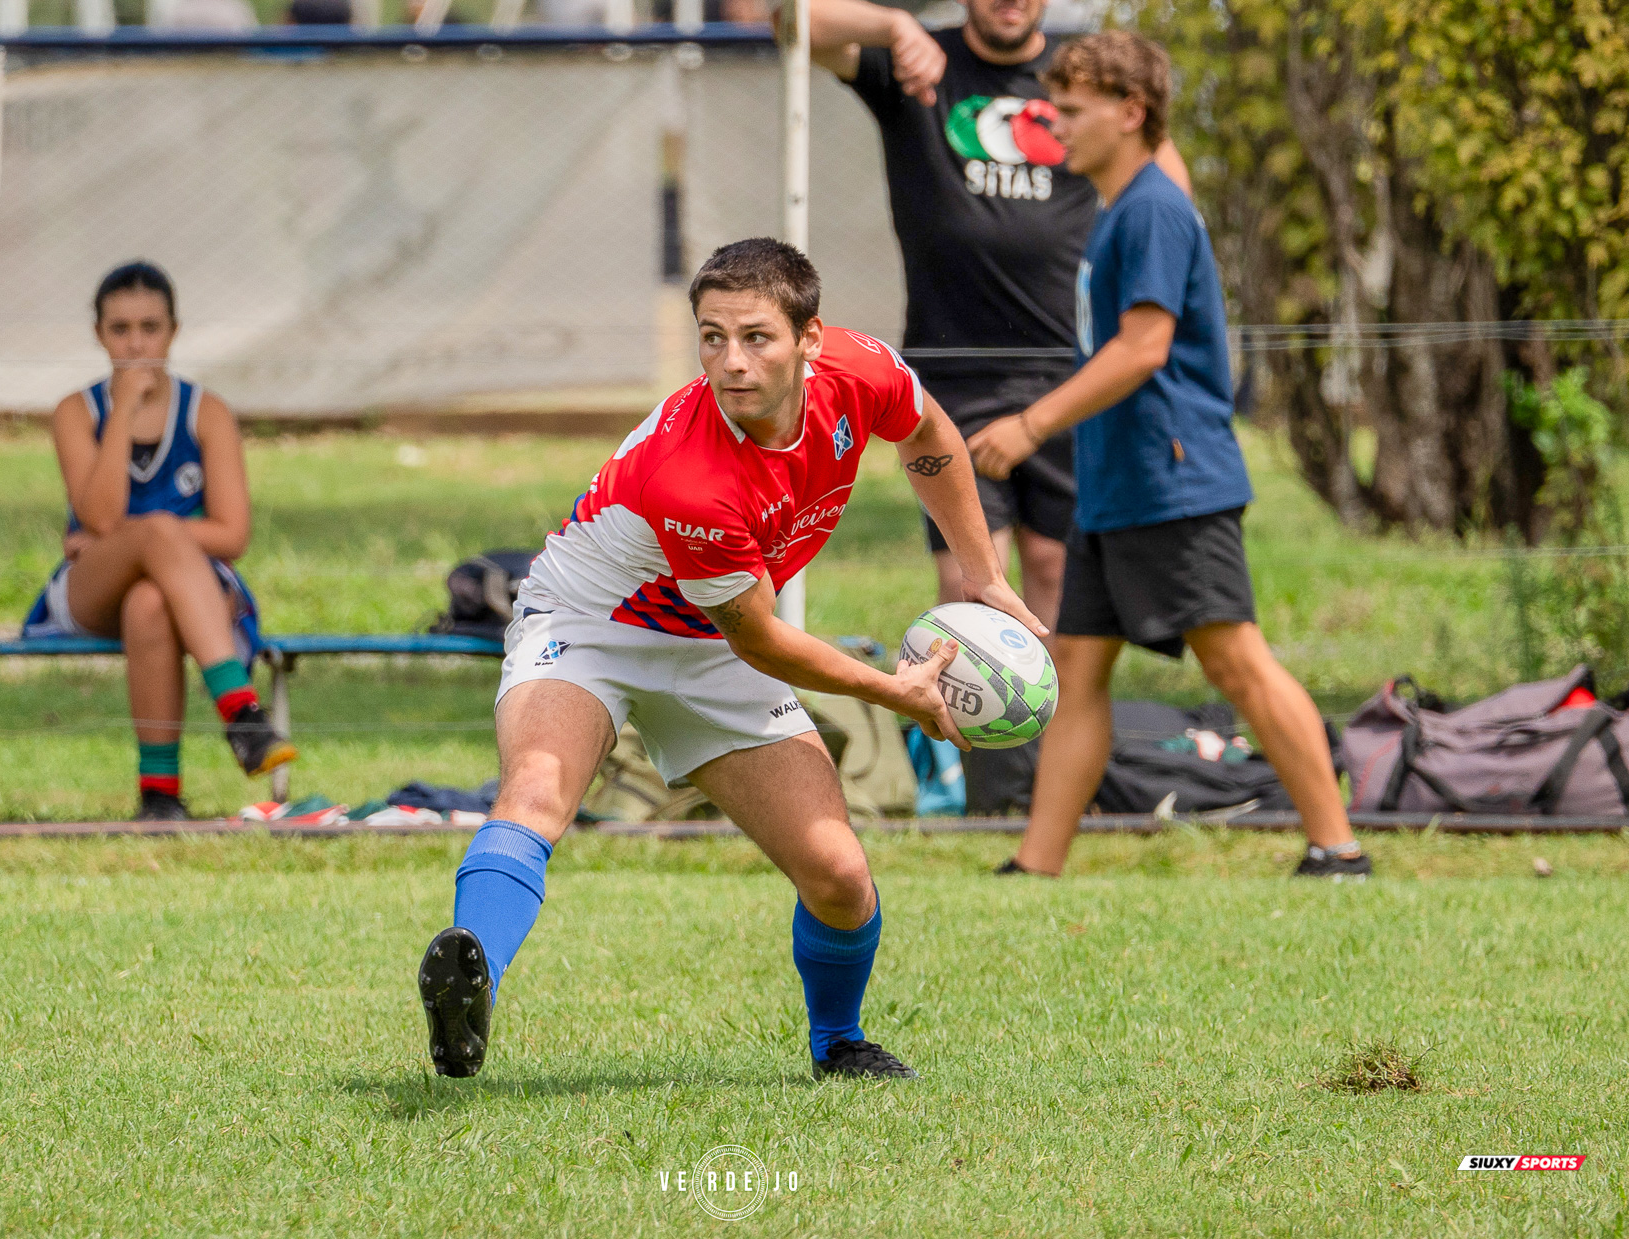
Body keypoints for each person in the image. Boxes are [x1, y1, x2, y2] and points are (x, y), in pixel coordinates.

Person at [415, 238, 1045, 1081]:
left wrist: (985, 574)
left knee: (839, 872)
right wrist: (896, 691)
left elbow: (928, 436)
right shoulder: (694, 473)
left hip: (708, 640)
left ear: (811, 340)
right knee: (537, 788)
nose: (731, 361)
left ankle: (839, 1044)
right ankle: (471, 973)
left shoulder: (864, 373)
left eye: (755, 337)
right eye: (711, 338)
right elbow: (763, 638)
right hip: (591, 622)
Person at [963, 32, 1370, 880]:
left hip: (1172, 481)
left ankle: (1338, 847)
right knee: (1077, 667)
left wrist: (1032, 426)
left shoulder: (1150, 208)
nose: (1055, 128)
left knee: (1236, 662)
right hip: (1114, 488)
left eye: (1071, 112)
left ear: (1131, 112)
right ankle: (1036, 864)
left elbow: (1145, 346)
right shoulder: (1126, 202)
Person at [808, 0, 1191, 630]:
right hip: (954, 367)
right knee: (968, 579)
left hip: (1068, 368)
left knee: (1054, 566)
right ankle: (968, 726)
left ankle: (1042, 725)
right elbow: (792, 22)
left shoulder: (1079, 76)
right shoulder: (916, 64)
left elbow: (1165, 189)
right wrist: (895, 26)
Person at [23, 262, 297, 822]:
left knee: (149, 600)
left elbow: (232, 533)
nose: (136, 342)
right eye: (120, 329)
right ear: (99, 334)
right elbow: (99, 518)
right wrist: (123, 409)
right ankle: (240, 711)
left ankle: (159, 798)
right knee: (155, 534)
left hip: (187, 589)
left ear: (173, 331)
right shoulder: (78, 412)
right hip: (91, 586)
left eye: (150, 327)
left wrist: (148, 537)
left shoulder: (206, 412)